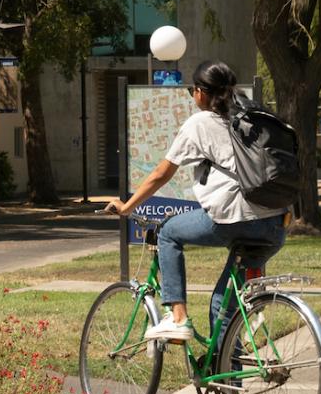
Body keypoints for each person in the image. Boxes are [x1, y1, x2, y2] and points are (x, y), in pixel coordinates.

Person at [104, 59, 286, 345]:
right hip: (274, 224)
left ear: (201, 92)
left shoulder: (201, 122)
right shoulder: (253, 116)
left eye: (193, 89)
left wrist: (128, 207)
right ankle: (229, 387)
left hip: (234, 218)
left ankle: (178, 318)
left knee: (167, 232)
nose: (192, 95)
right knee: (223, 309)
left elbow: (161, 173)